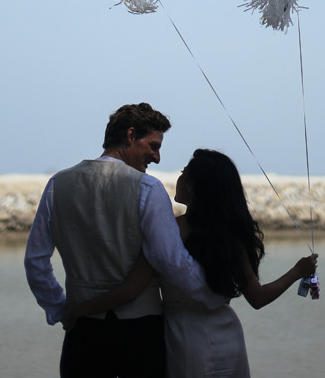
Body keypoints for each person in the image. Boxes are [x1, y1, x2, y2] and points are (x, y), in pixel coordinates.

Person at [65, 148, 318, 377]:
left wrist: (80, 309)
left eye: (183, 173)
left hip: (184, 337)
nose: (179, 177)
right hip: (228, 333)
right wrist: (297, 271)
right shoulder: (229, 236)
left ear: (193, 187)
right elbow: (258, 298)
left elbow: (130, 290)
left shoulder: (168, 231)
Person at [24, 103, 221, 378]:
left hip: (83, 332)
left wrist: (60, 308)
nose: (157, 157)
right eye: (153, 146)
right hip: (140, 333)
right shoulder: (148, 188)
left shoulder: (58, 184)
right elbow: (171, 260)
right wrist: (213, 294)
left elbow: (35, 261)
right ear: (130, 136)